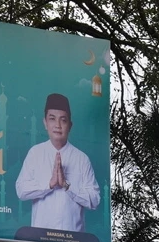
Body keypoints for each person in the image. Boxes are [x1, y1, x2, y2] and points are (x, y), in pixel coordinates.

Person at [14, 93, 101, 232]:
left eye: (63, 120)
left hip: (73, 240)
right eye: (52, 119)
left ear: (70, 125)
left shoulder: (82, 159)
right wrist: (49, 185)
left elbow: (95, 200)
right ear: (45, 123)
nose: (58, 125)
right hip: (41, 237)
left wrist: (67, 186)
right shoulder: (35, 153)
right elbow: (21, 190)